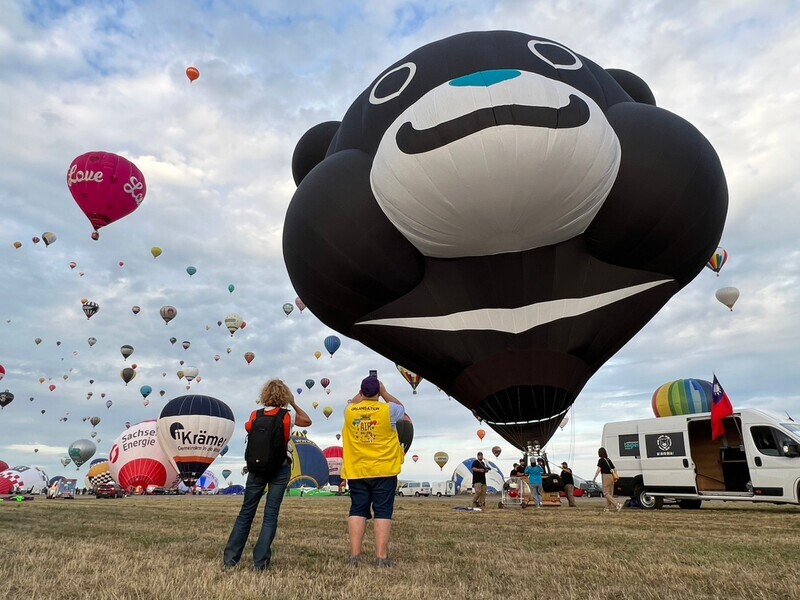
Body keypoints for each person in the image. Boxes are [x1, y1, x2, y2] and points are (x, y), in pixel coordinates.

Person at [223, 379, 311, 571]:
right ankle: (260, 562)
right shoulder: (288, 416)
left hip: (256, 468)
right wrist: (294, 403)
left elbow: (248, 428)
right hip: (280, 467)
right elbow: (307, 421)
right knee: (270, 515)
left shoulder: (255, 415)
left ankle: (230, 560)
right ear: (284, 396)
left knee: (246, 512)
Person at [341, 375, 405, 568]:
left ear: (361, 393)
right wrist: (384, 392)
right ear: (378, 393)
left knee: (357, 510)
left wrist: (362, 393)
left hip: (357, 470)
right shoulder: (389, 410)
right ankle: (381, 558)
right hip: (384, 469)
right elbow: (401, 408)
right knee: (383, 512)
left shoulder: (349, 411)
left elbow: (354, 401)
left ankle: (354, 556)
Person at [593, 447, 622, 512]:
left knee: (605, 493)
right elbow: (615, 469)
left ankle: (617, 504)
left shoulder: (601, 460)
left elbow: (599, 469)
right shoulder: (608, 460)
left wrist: (595, 477)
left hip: (605, 476)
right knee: (610, 494)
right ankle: (607, 508)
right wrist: (615, 476)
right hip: (612, 476)